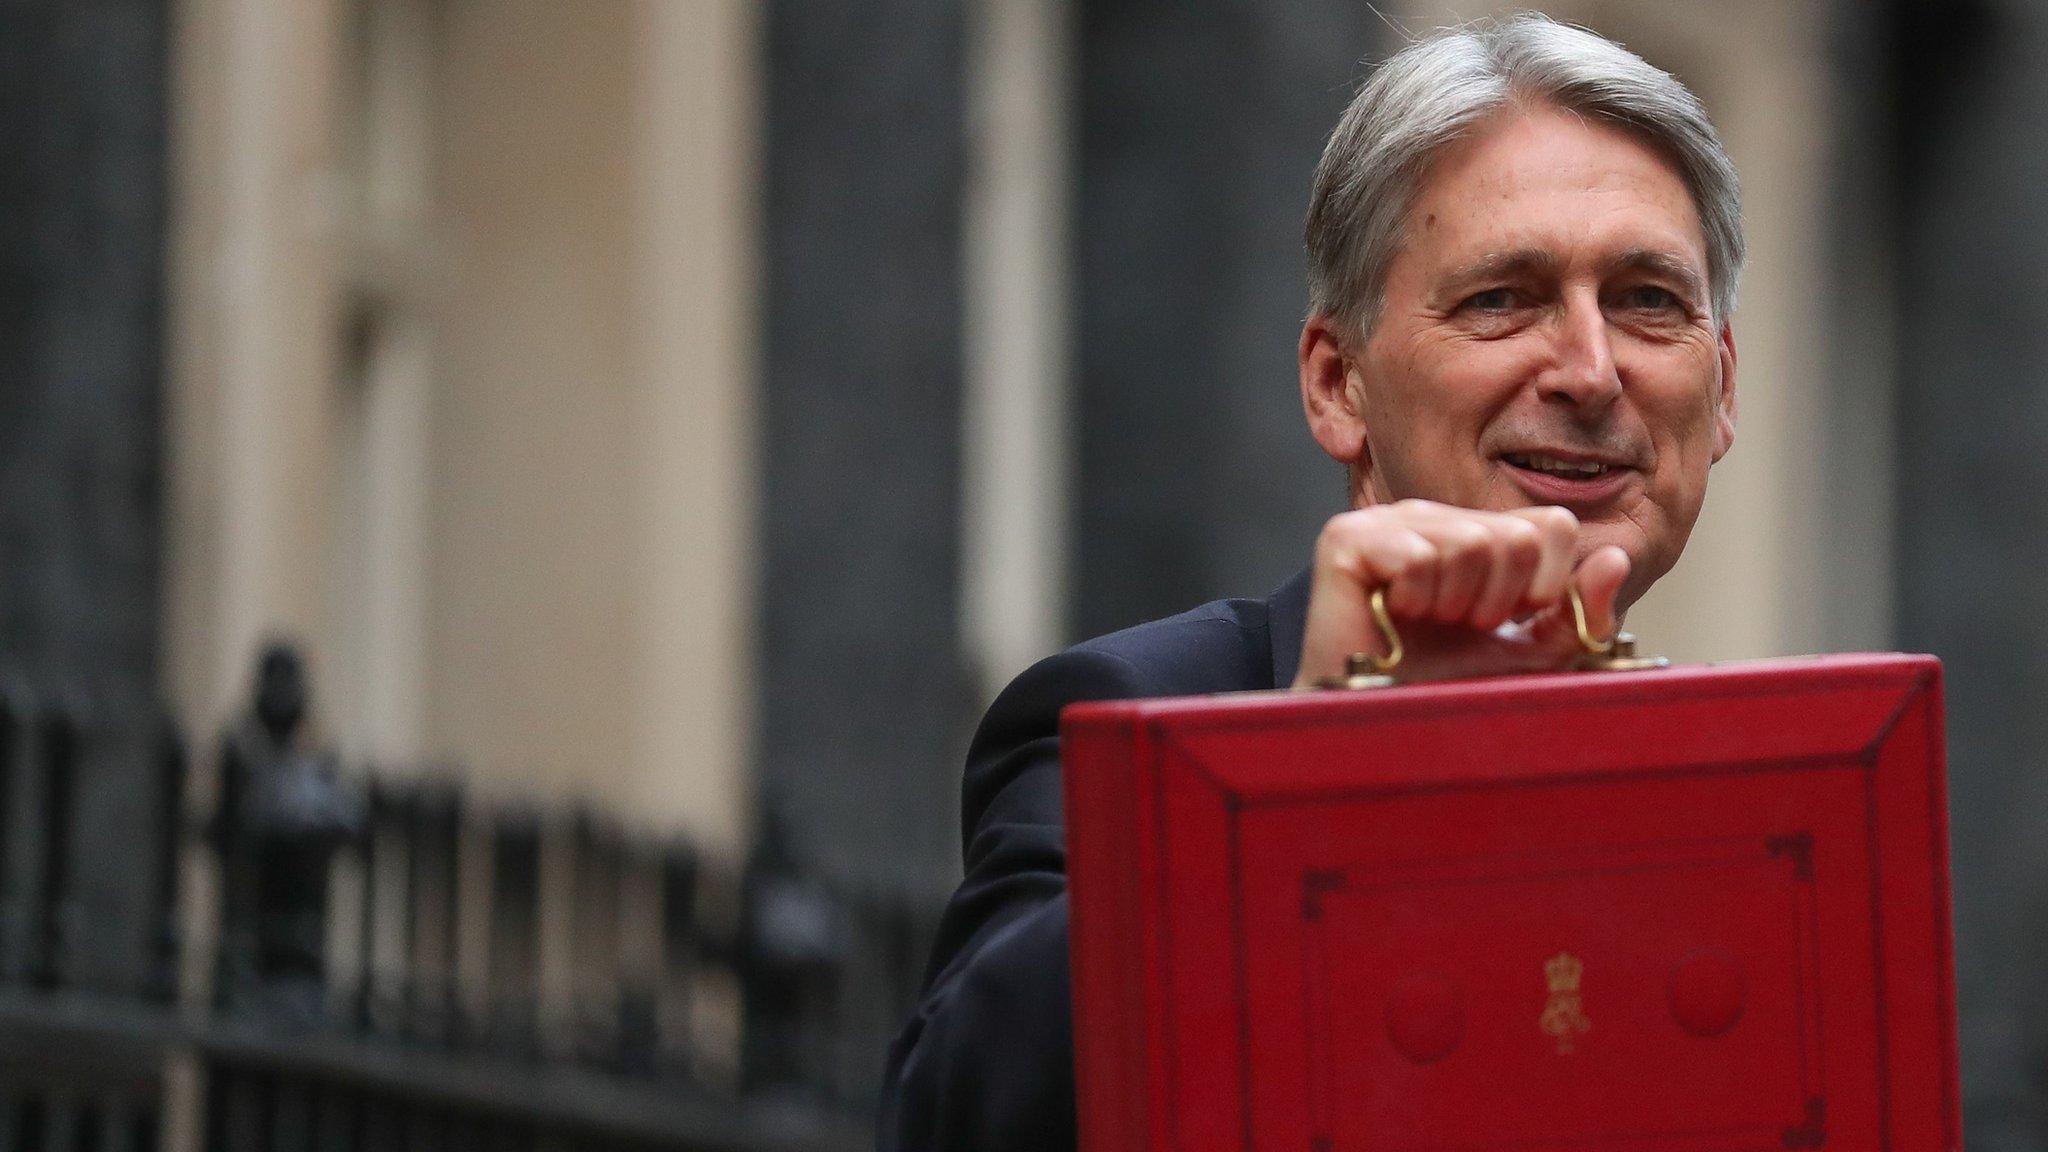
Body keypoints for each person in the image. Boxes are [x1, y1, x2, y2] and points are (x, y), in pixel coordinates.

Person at [879, 14, 1743, 1150]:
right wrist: (1318, 772)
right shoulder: (1129, 719)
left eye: (1646, 301)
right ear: (1337, 384)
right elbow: (956, 1117)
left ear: (1721, 390)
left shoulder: (1763, 802)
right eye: (1500, 299)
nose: (1588, 370)